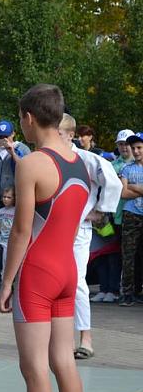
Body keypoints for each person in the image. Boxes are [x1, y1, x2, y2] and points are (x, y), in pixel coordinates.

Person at [0, 84, 90, 392]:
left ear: (29, 118)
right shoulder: (79, 162)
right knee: (63, 362)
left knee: (33, 368)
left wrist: (6, 282)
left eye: (21, 119)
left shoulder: (31, 164)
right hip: (67, 270)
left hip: (38, 275)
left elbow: (21, 231)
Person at [59, 113, 122, 358]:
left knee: (76, 283)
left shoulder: (87, 159)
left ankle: (86, 338)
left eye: (60, 133)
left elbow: (114, 184)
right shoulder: (48, 159)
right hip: (53, 229)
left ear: (71, 135)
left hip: (79, 230)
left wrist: (100, 210)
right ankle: (58, 336)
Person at [119, 133, 143, 307]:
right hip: (131, 214)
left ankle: (139, 290)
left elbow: (129, 189)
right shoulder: (126, 168)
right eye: (133, 148)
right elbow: (123, 193)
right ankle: (127, 292)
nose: (135, 151)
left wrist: (133, 187)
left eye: (139, 147)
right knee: (129, 254)